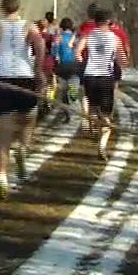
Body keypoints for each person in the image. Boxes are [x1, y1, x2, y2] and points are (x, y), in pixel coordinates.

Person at [0, 0, 47, 199]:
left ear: (2, 7)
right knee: (28, 118)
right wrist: (39, 69)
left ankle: (2, 177)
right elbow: (40, 46)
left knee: (3, 132)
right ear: (19, 7)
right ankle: (22, 146)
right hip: (24, 77)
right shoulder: (28, 26)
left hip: (2, 80)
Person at [75, 9, 129, 161]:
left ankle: (93, 128)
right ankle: (102, 145)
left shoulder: (88, 36)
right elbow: (123, 61)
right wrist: (121, 62)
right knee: (106, 115)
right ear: (109, 22)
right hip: (106, 77)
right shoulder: (115, 38)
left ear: (95, 22)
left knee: (92, 107)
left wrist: (81, 59)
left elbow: (77, 53)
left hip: (90, 76)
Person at [52, 17, 80, 123]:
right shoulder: (75, 38)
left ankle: (66, 112)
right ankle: (71, 99)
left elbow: (54, 53)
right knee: (73, 91)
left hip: (62, 67)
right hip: (74, 67)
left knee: (63, 91)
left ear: (61, 27)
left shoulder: (58, 38)